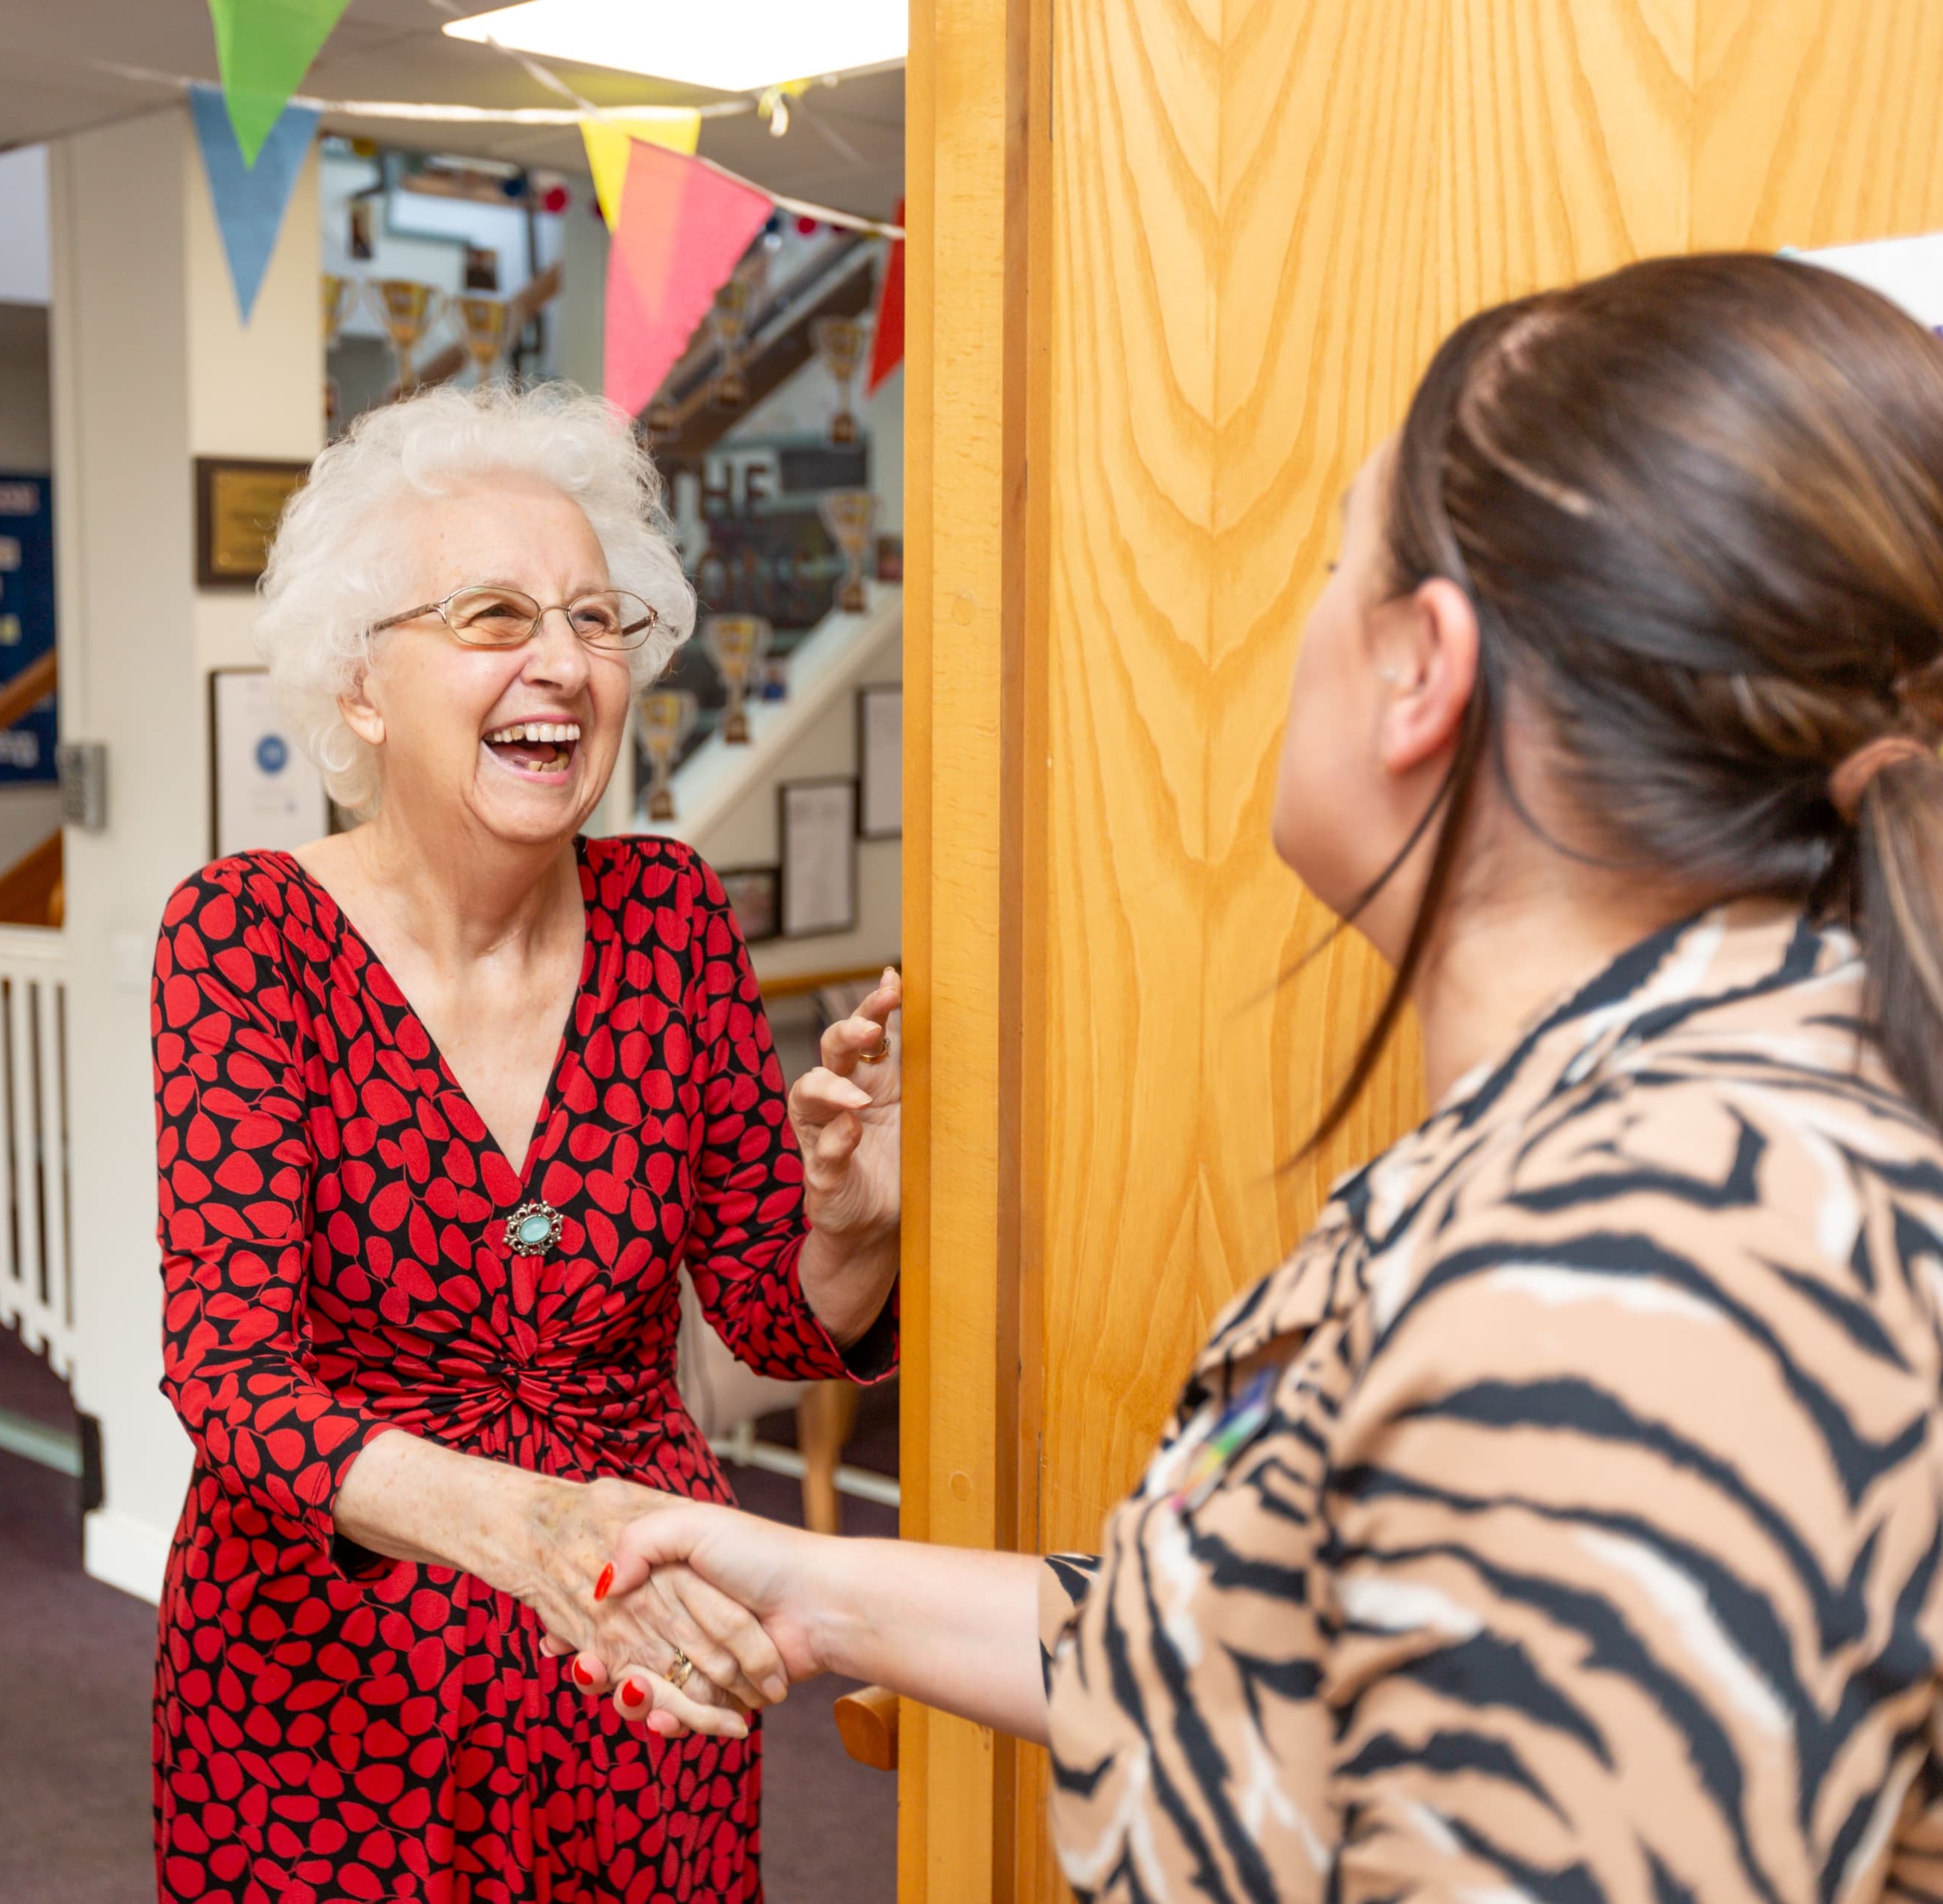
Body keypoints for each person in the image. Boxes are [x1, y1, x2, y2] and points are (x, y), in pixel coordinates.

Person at [577, 252, 1943, 1899]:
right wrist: (817, 1586)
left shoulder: (1635, 1276)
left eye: (1325, 566)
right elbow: (1268, 1630)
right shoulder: (1664, 1139)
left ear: (1422, 669)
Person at [148, 382, 904, 1902]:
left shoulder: (671, 917)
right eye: (493, 614)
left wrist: (854, 1226)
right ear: (363, 688)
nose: (563, 660)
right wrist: (534, 1529)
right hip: (320, 1686)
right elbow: (230, 1373)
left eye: (596, 618)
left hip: (637, 1665)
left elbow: (768, 1312)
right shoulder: (245, 935)